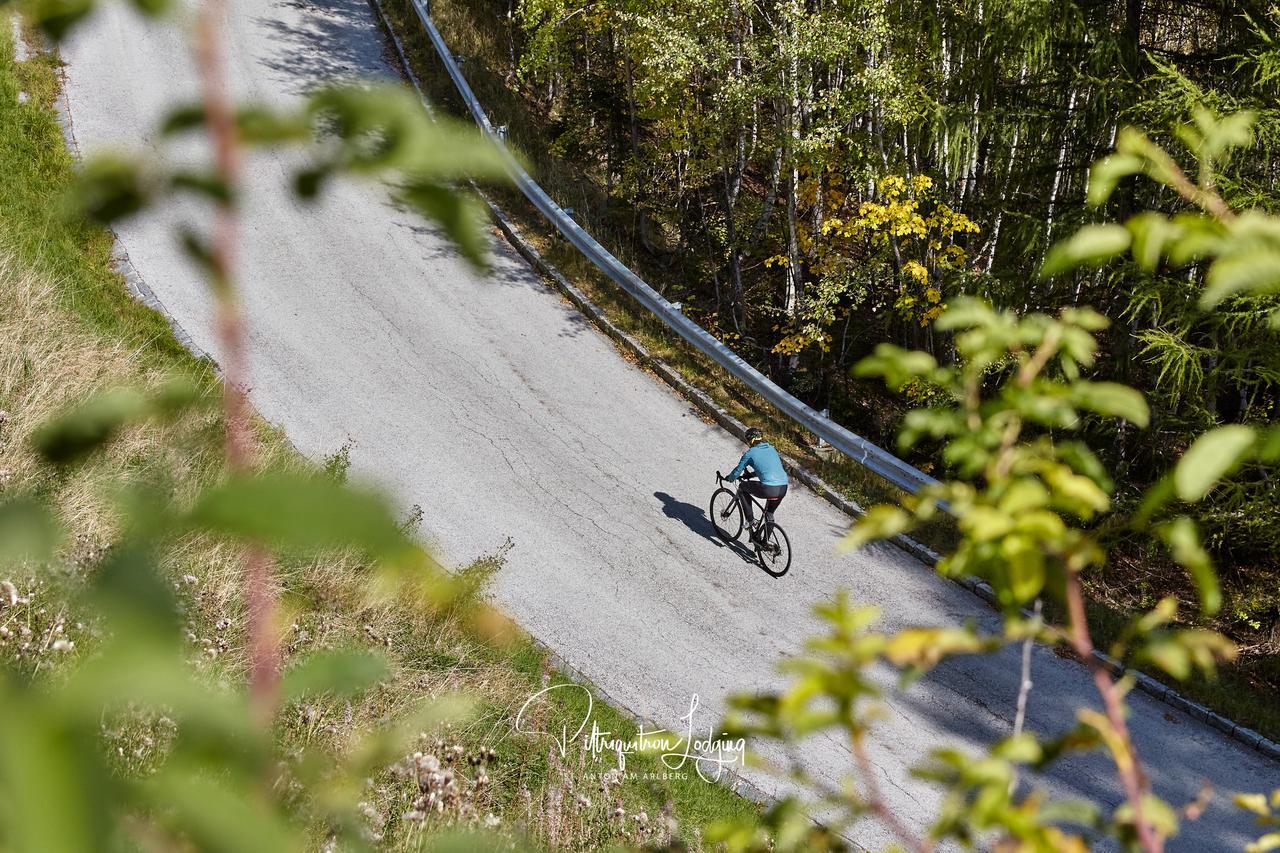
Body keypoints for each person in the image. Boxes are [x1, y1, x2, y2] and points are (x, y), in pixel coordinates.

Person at [725, 427, 789, 541]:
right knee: (769, 513)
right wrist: (751, 475)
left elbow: (737, 472)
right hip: (783, 487)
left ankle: (750, 521)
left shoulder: (749, 453)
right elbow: (769, 468)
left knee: (742, 487)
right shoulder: (772, 448)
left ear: (750, 441)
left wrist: (729, 478)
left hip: (769, 488)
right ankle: (765, 542)